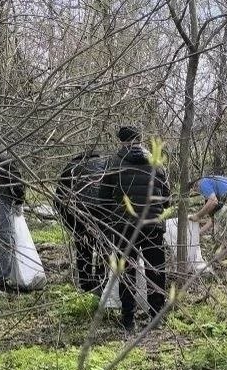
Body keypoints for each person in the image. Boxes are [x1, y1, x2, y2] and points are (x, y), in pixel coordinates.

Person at [100, 126, 170, 332]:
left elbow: (104, 197)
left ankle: (128, 320)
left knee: (127, 271)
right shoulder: (156, 162)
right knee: (155, 270)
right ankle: (156, 317)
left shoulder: (114, 163)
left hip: (125, 226)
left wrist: (113, 217)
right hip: (153, 224)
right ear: (140, 139)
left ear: (121, 141)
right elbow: (167, 197)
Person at [54, 152, 112, 293]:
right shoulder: (106, 164)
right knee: (103, 247)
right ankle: (101, 282)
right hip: (102, 213)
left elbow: (58, 199)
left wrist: (70, 224)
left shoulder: (70, 167)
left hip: (78, 214)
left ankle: (85, 284)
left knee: (83, 248)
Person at [0, 154, 25, 289]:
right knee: (5, 238)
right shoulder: (6, 160)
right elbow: (18, 182)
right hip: (2, 199)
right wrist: (19, 201)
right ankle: (1, 279)